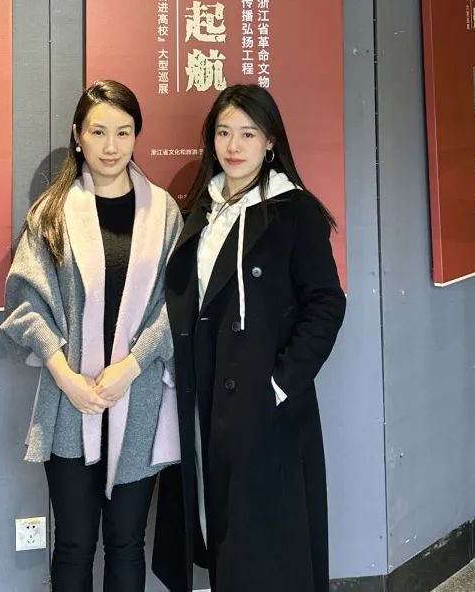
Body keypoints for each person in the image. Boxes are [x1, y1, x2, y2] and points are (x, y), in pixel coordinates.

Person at [152, 84, 347, 592]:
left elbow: (326, 303)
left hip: (266, 408)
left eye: (247, 133)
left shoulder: (293, 211)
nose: (233, 146)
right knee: (222, 531)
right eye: (223, 133)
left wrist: (279, 384)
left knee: (267, 540)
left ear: (271, 141)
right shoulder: (202, 208)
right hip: (206, 399)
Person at [0, 80, 183, 592]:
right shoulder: (52, 212)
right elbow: (26, 303)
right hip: (69, 401)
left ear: (136, 136)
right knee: (74, 544)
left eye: (123, 132)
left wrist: (131, 367)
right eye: (98, 132)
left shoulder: (164, 213)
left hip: (138, 398)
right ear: (77, 134)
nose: (111, 146)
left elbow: (177, 305)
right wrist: (66, 377)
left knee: (127, 542)